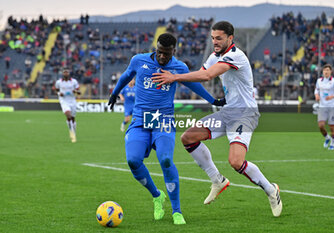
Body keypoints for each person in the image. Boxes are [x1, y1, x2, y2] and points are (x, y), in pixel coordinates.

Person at [152, 21, 282, 217]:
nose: (215, 42)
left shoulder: (235, 56)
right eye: (213, 38)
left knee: (236, 162)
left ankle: (271, 190)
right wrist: (174, 73)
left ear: (230, 38)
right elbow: (199, 75)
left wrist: (175, 77)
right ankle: (217, 179)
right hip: (228, 112)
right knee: (188, 137)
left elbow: (207, 76)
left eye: (219, 38)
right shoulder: (215, 56)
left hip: (245, 114)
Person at [108, 32, 225, 225]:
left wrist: (213, 100)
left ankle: (176, 211)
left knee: (166, 159)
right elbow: (126, 75)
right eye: (160, 52)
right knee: (133, 160)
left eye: (167, 54)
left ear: (174, 51)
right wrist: (114, 93)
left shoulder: (178, 67)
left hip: (163, 120)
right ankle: (156, 196)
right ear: (156, 48)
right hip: (140, 120)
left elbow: (193, 84)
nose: (163, 57)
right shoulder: (139, 61)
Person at [314, 64, 334, 150]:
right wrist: (316, 95)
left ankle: (333, 142)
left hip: (332, 106)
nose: (326, 72)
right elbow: (316, 89)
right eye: (324, 70)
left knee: (332, 127)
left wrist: (332, 96)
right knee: (321, 126)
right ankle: (327, 138)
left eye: (327, 70)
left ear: (330, 72)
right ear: (322, 72)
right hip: (322, 106)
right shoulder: (319, 81)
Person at [55, 68, 81, 143]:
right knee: (68, 114)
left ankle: (73, 131)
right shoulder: (59, 82)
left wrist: (75, 91)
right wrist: (59, 94)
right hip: (64, 101)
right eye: (64, 72)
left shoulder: (74, 82)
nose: (66, 73)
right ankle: (71, 132)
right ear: (62, 73)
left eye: (67, 72)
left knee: (72, 118)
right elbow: (56, 90)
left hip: (72, 101)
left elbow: (79, 92)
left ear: (69, 73)